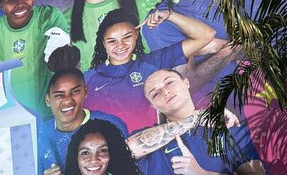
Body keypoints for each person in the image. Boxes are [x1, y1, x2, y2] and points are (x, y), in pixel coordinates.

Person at [130, 69, 267, 175]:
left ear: (186, 83)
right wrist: (195, 118)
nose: (165, 91)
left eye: (169, 82)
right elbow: (126, 150)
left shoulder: (227, 124)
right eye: (155, 93)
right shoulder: (152, 140)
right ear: (153, 106)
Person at [85, 8, 222, 135]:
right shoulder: (89, 78)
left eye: (127, 37)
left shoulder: (156, 61)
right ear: (103, 43)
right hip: (119, 153)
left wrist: (169, 15)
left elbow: (206, 35)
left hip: (163, 147)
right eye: (111, 41)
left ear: (136, 34)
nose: (120, 46)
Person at [37, 63, 125, 175]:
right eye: (59, 95)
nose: (67, 100)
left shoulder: (111, 125)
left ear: (85, 91)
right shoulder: (38, 135)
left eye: (75, 92)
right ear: (48, 100)